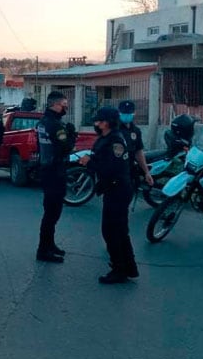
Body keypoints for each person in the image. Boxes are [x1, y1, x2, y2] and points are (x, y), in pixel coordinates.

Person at [79, 107, 139, 284]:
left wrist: (89, 163)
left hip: (118, 190)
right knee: (119, 230)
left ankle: (119, 269)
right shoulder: (105, 139)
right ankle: (129, 267)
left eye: (98, 121)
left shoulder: (115, 141)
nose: (95, 124)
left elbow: (110, 169)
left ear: (106, 122)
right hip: (112, 189)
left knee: (112, 231)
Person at [35, 91, 77, 263]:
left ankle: (49, 245)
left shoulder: (42, 122)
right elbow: (66, 147)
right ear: (55, 105)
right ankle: (44, 250)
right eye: (64, 105)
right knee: (52, 213)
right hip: (55, 171)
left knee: (50, 212)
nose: (66, 108)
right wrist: (72, 135)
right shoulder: (56, 125)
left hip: (46, 169)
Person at [116, 100, 155, 190]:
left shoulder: (136, 131)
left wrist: (146, 172)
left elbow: (139, 152)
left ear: (134, 113)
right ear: (119, 113)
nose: (126, 115)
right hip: (115, 171)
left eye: (129, 113)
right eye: (124, 113)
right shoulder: (114, 129)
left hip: (129, 170)